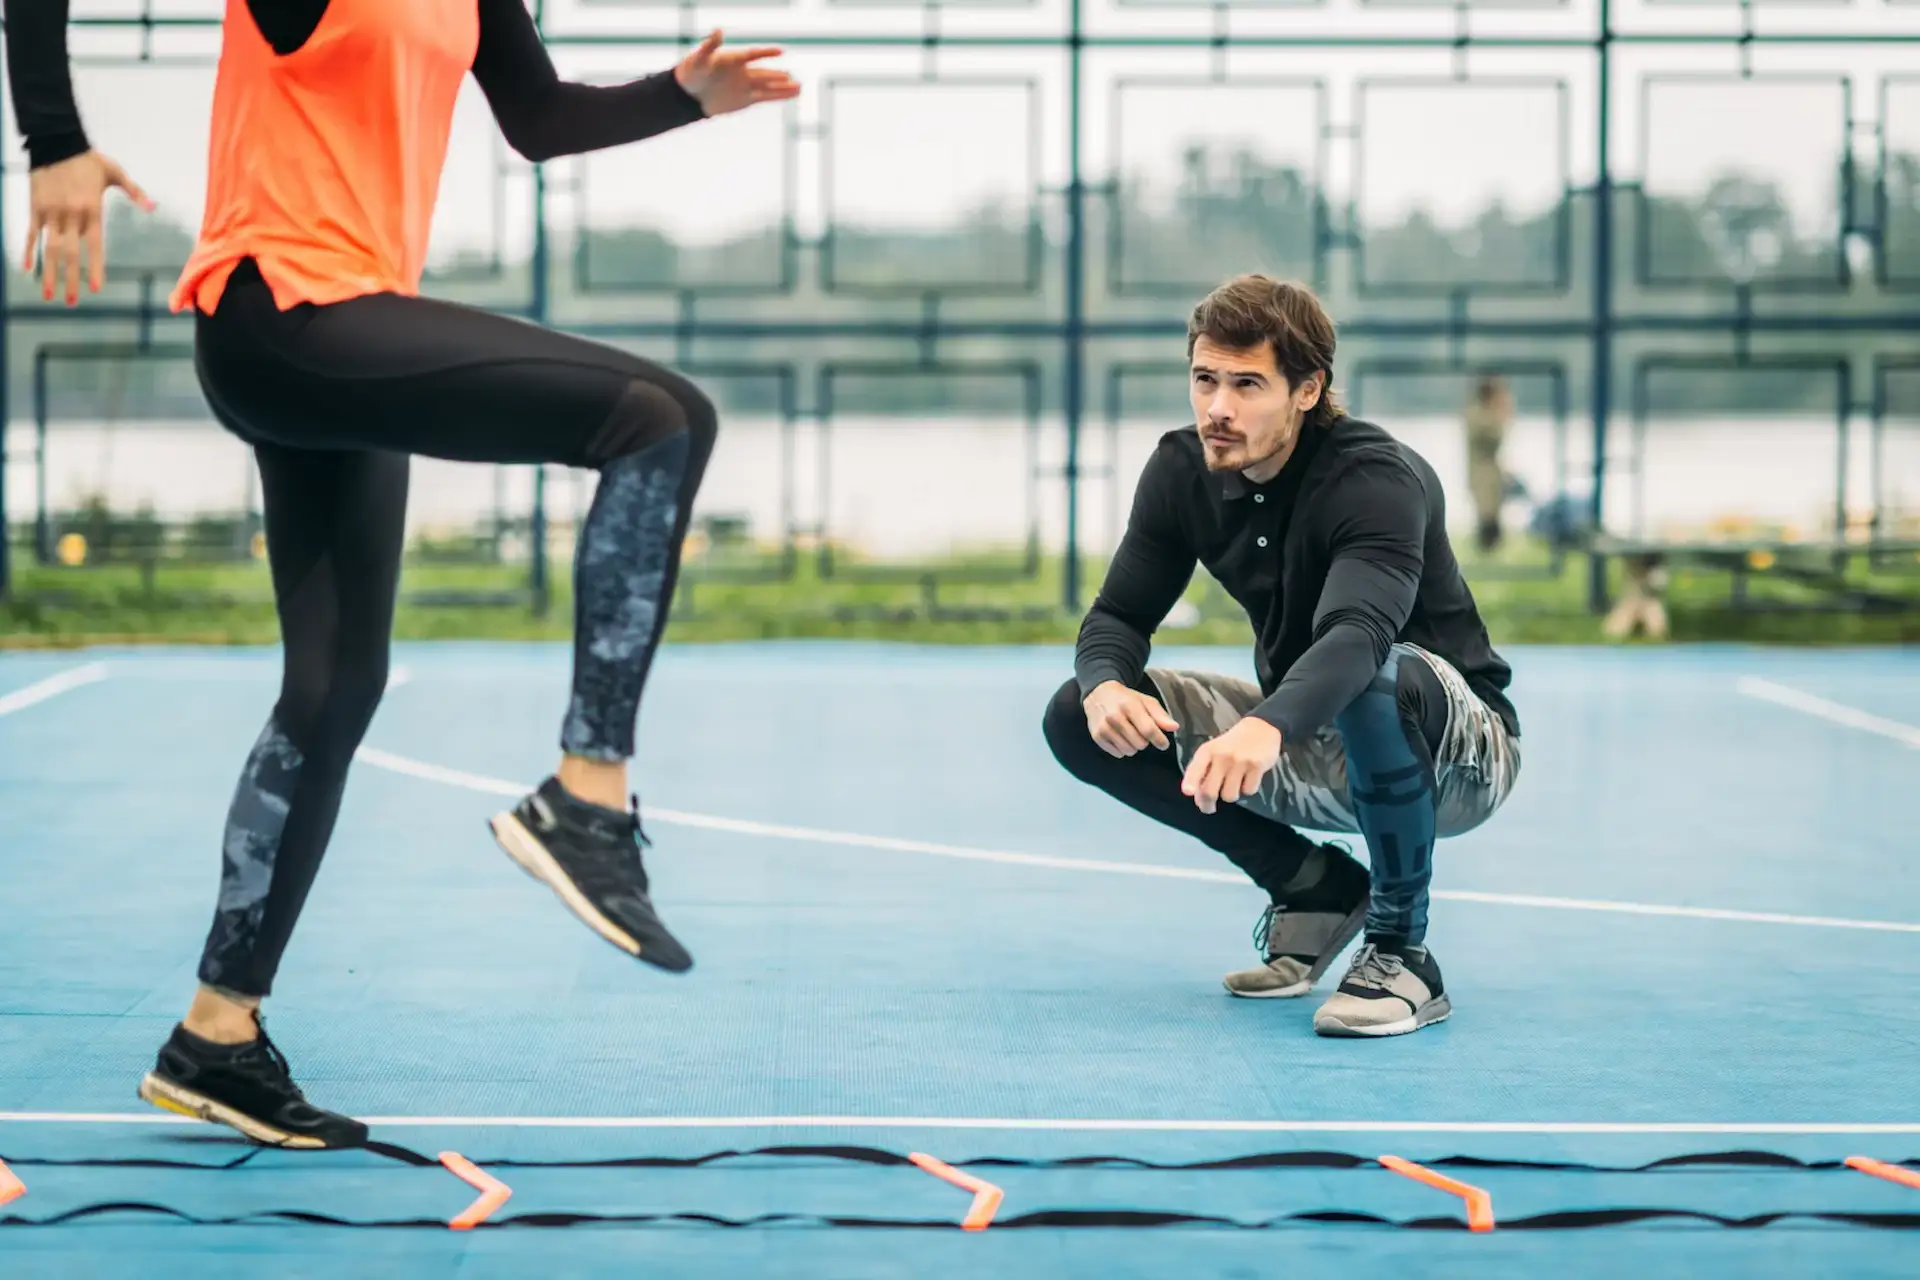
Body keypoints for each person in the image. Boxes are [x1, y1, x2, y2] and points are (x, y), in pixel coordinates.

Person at [5, 0, 799, 1147]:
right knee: (661, 419)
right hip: (280, 311)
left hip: (347, 328)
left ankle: (215, 1037)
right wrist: (53, 142)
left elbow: (536, 116)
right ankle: (587, 795)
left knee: (332, 688)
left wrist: (679, 96)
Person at [1042, 275, 1521, 1038]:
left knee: (1371, 677)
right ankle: (1312, 886)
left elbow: (1357, 636)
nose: (1218, 408)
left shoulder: (1375, 479)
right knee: (1075, 716)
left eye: (1247, 384)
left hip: (1453, 758)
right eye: (1205, 379)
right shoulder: (1180, 471)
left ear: (1307, 389)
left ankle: (1402, 953)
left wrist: (1264, 728)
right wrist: (1104, 685)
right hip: (1310, 736)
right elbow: (1119, 617)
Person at [1465, 373, 1513, 553]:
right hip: (1483, 475)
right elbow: (1493, 439)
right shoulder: (1478, 414)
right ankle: (1487, 545)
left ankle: (1489, 546)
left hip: (1487, 474)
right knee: (1487, 513)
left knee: (1491, 512)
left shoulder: (1478, 413)